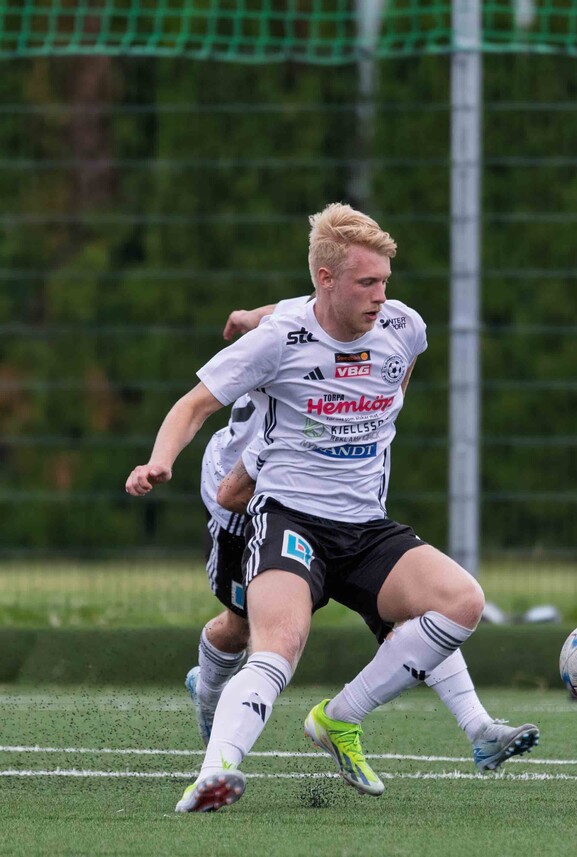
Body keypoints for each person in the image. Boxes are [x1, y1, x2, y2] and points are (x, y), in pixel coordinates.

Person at [127, 202, 497, 813]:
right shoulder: (279, 341)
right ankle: (215, 773)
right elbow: (194, 405)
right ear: (325, 280)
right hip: (288, 517)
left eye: (385, 281)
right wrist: (158, 461)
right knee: (276, 641)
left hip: (365, 525)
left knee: (463, 602)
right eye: (366, 282)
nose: (381, 296)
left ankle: (340, 716)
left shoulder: (405, 327)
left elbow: (393, 380)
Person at [186, 298, 538, 777]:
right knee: (244, 623)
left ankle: (476, 727)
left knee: (417, 613)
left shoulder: (351, 331)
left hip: (334, 509)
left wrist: (249, 316)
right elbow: (229, 484)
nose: (377, 300)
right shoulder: (285, 357)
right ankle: (210, 699)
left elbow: (305, 306)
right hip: (245, 497)